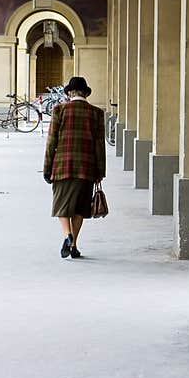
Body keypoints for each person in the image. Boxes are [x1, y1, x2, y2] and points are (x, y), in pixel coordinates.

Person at [43, 76, 106, 258]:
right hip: (87, 167)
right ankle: (74, 245)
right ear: (85, 93)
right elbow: (99, 144)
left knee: (62, 205)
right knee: (80, 208)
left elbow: (51, 142)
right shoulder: (96, 113)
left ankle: (67, 236)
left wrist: (47, 167)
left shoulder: (59, 110)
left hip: (62, 165)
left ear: (70, 93)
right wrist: (100, 171)